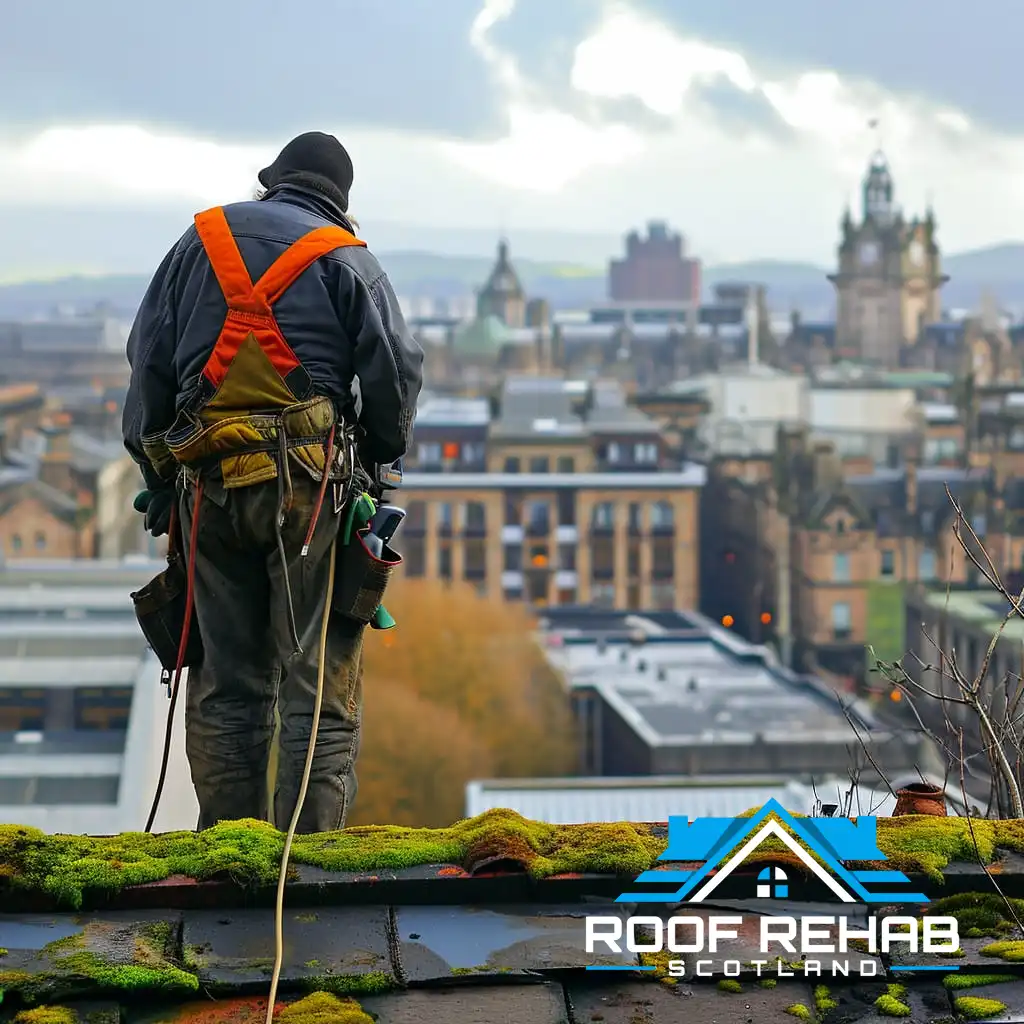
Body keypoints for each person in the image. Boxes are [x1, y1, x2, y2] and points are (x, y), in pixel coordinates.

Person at [123, 131, 424, 833]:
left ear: (272, 183)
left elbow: (149, 366)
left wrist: (155, 473)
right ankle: (306, 870)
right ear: (338, 204)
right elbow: (395, 376)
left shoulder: (198, 244)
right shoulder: (348, 260)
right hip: (311, 491)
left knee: (227, 682)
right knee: (317, 682)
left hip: (207, 486)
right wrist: (379, 465)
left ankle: (232, 862)